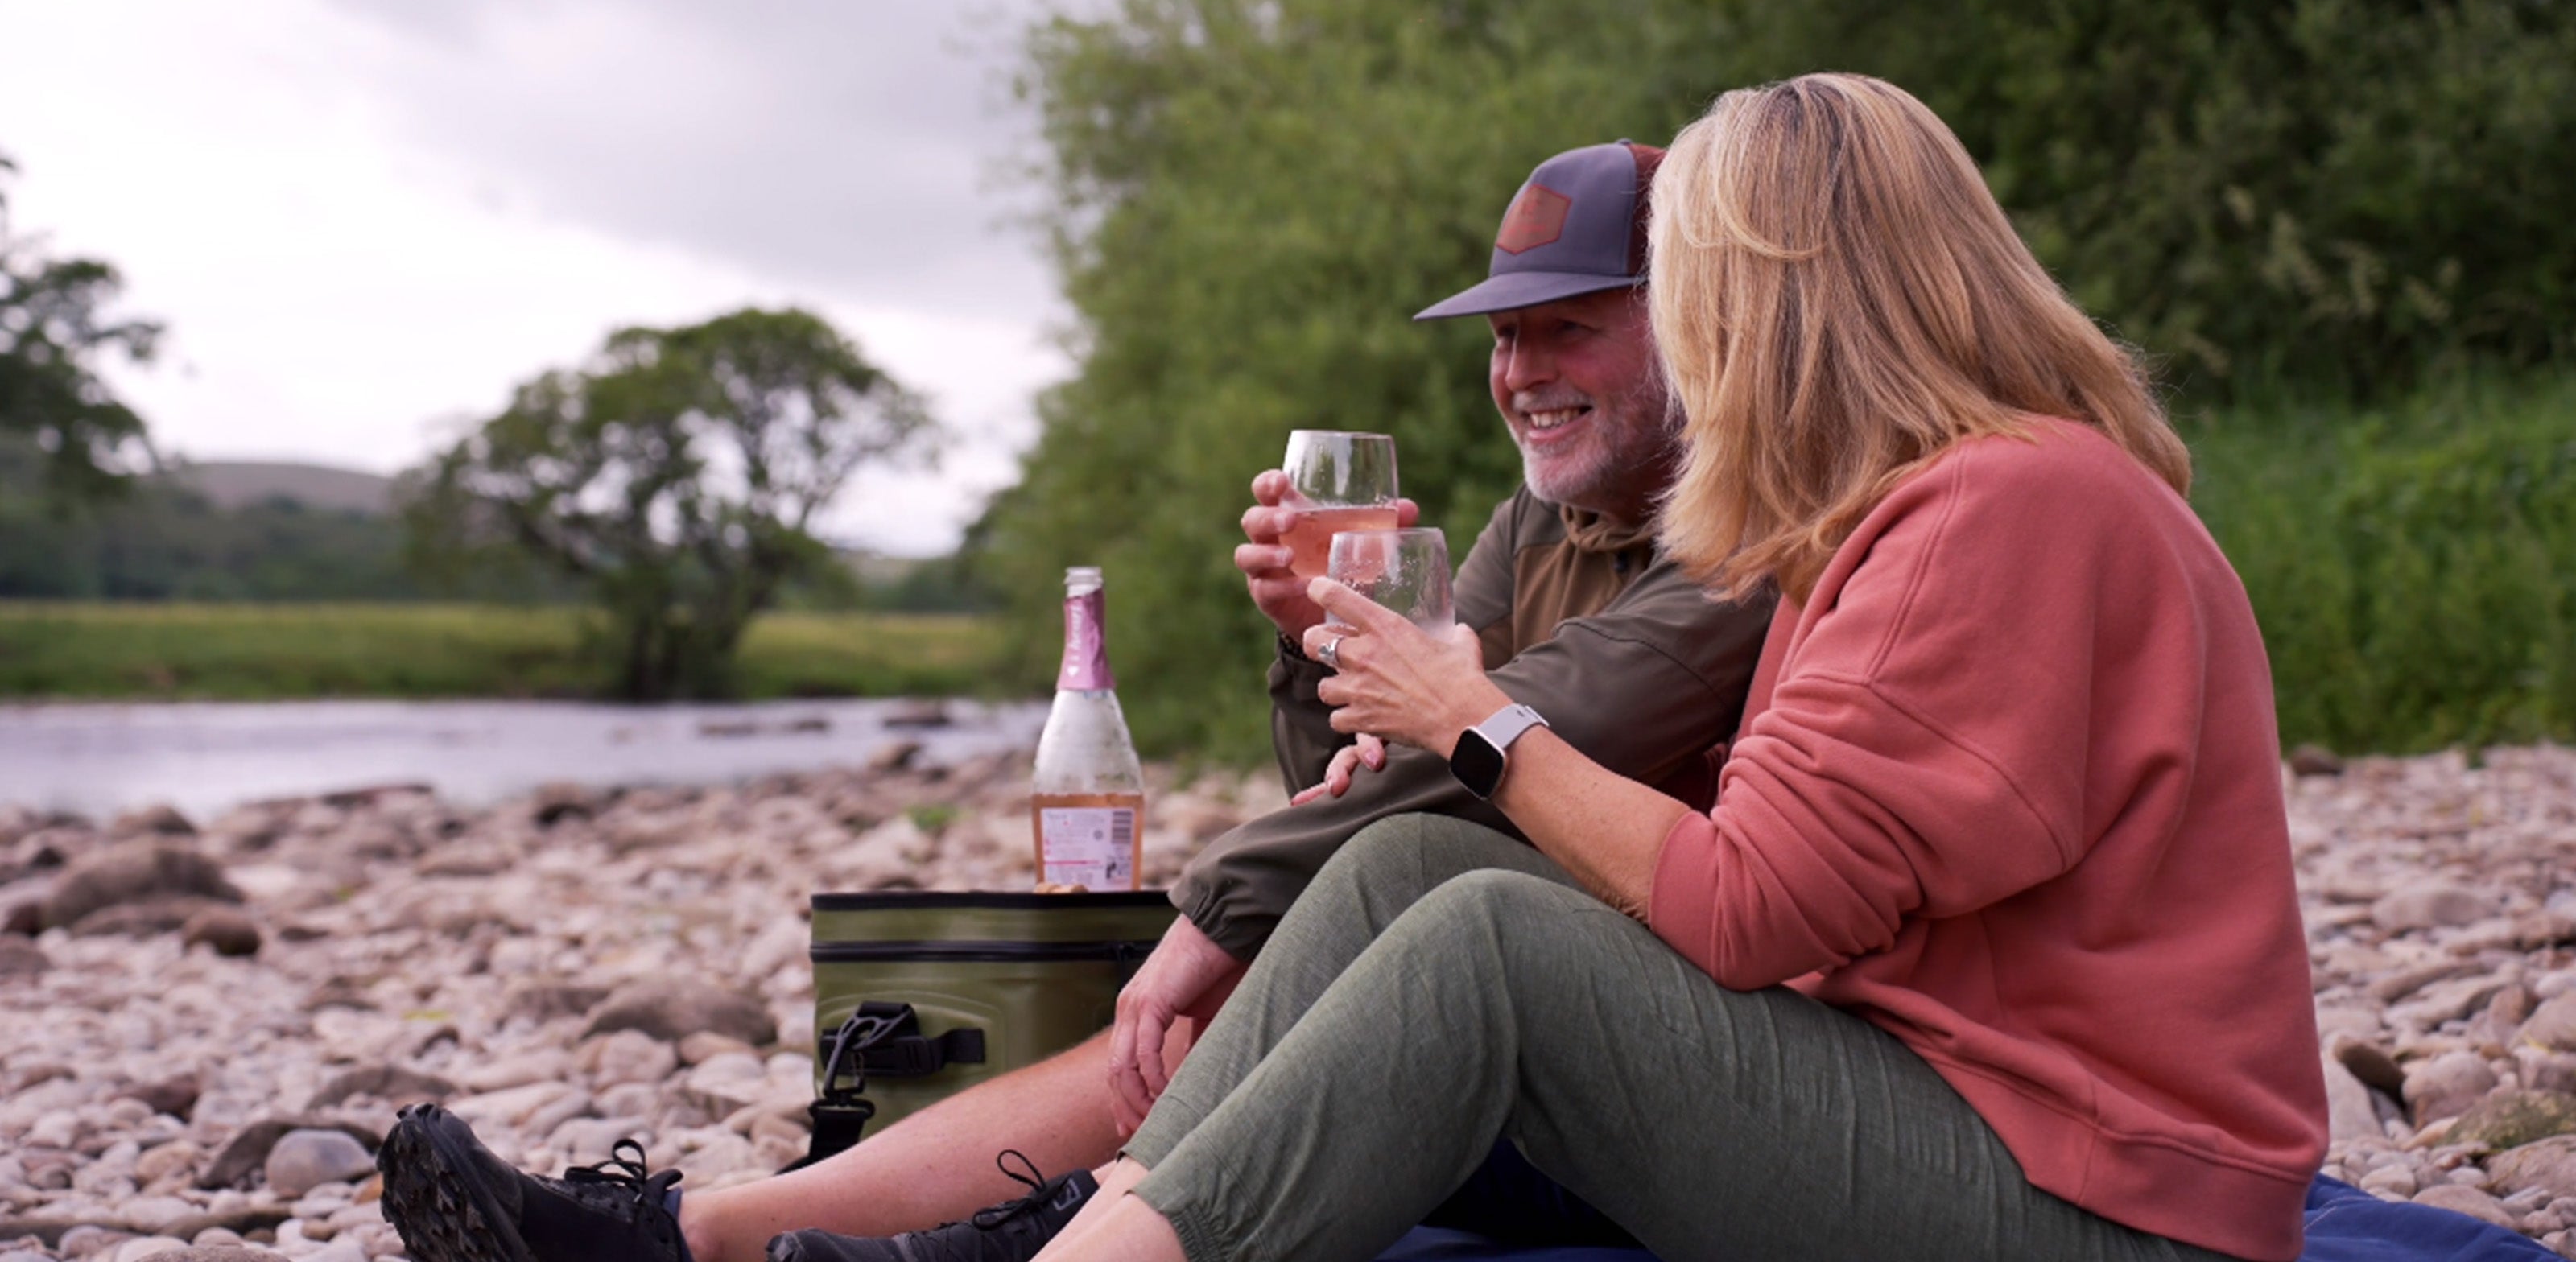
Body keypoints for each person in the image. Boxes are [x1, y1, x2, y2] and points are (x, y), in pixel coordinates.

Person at [824, 72, 2332, 1262]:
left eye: (1686, 290)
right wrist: (1351, 679)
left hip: (2107, 1206)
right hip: (1977, 1114)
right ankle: (1072, 1237)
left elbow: (1745, 910)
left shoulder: (2004, 506)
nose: (1687, 330)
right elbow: (1420, 800)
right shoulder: (1903, 514)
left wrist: (1476, 723)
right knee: (1415, 876)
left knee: (1491, 943)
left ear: (1784, 296)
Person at [377, 140, 1777, 1262]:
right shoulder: (1551, 524)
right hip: (1505, 993)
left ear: (1694, 327)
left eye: (1569, 330)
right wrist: (1311, 649)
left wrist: (1205, 914)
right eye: (1504, 335)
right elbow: (1364, 775)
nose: (1520, 373)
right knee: (1321, 937)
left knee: (1297, 961)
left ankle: (799, 1236)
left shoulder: (1750, 543)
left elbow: (1481, 753)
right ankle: (720, 1234)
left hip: (1639, 1077)